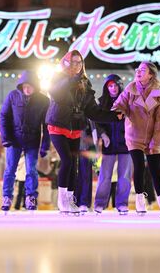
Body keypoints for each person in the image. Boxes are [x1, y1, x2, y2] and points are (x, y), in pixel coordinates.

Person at [46, 50, 121, 215]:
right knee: (66, 160)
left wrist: (114, 116)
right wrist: (71, 78)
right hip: (58, 125)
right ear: (66, 63)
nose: (77, 65)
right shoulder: (58, 78)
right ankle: (62, 199)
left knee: (74, 164)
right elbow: (57, 95)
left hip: (75, 128)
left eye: (79, 62)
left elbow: (92, 111)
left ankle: (71, 198)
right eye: (73, 62)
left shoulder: (85, 83)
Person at [112, 61, 160, 216]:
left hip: (153, 136)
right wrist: (119, 111)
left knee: (154, 169)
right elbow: (119, 104)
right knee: (138, 166)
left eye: (143, 70)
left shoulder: (159, 94)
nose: (138, 72)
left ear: (151, 74)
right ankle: (139, 198)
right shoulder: (130, 89)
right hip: (134, 135)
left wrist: (156, 141)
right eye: (138, 69)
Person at [0, 70, 50, 212]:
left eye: (30, 86)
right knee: (10, 170)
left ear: (36, 86)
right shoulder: (13, 96)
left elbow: (47, 125)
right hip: (14, 140)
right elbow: (4, 116)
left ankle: (31, 197)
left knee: (31, 170)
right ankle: (7, 196)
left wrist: (45, 145)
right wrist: (6, 138)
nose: (27, 89)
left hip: (32, 140)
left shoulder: (43, 101)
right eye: (24, 86)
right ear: (21, 86)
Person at [94, 74, 132, 215]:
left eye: (115, 85)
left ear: (120, 86)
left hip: (126, 144)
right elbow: (96, 121)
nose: (113, 88)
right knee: (105, 176)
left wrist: (130, 136)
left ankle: (121, 204)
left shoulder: (127, 101)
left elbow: (134, 120)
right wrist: (103, 134)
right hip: (109, 145)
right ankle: (99, 204)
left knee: (124, 176)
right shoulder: (102, 102)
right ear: (106, 87)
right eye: (110, 86)